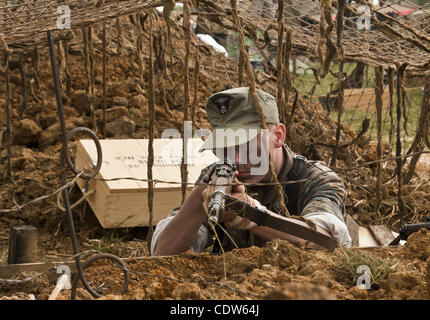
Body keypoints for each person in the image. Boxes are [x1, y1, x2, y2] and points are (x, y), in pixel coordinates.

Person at [151, 87, 352, 256]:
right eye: (225, 147)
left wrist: (248, 215)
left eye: (246, 145)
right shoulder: (216, 176)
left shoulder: (316, 179)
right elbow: (162, 255)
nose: (236, 159)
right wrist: (199, 198)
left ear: (278, 136)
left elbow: (328, 242)